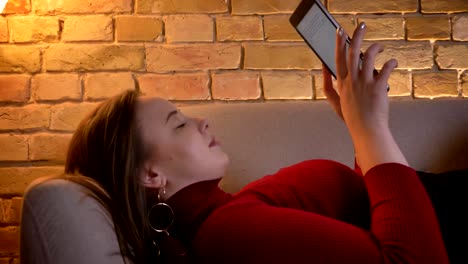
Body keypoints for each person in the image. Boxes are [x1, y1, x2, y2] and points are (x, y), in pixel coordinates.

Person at [54, 23, 450, 263]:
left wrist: (356, 124)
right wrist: (371, 130)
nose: (202, 122)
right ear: (150, 174)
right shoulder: (226, 232)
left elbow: (366, 217)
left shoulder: (229, 212)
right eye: (178, 124)